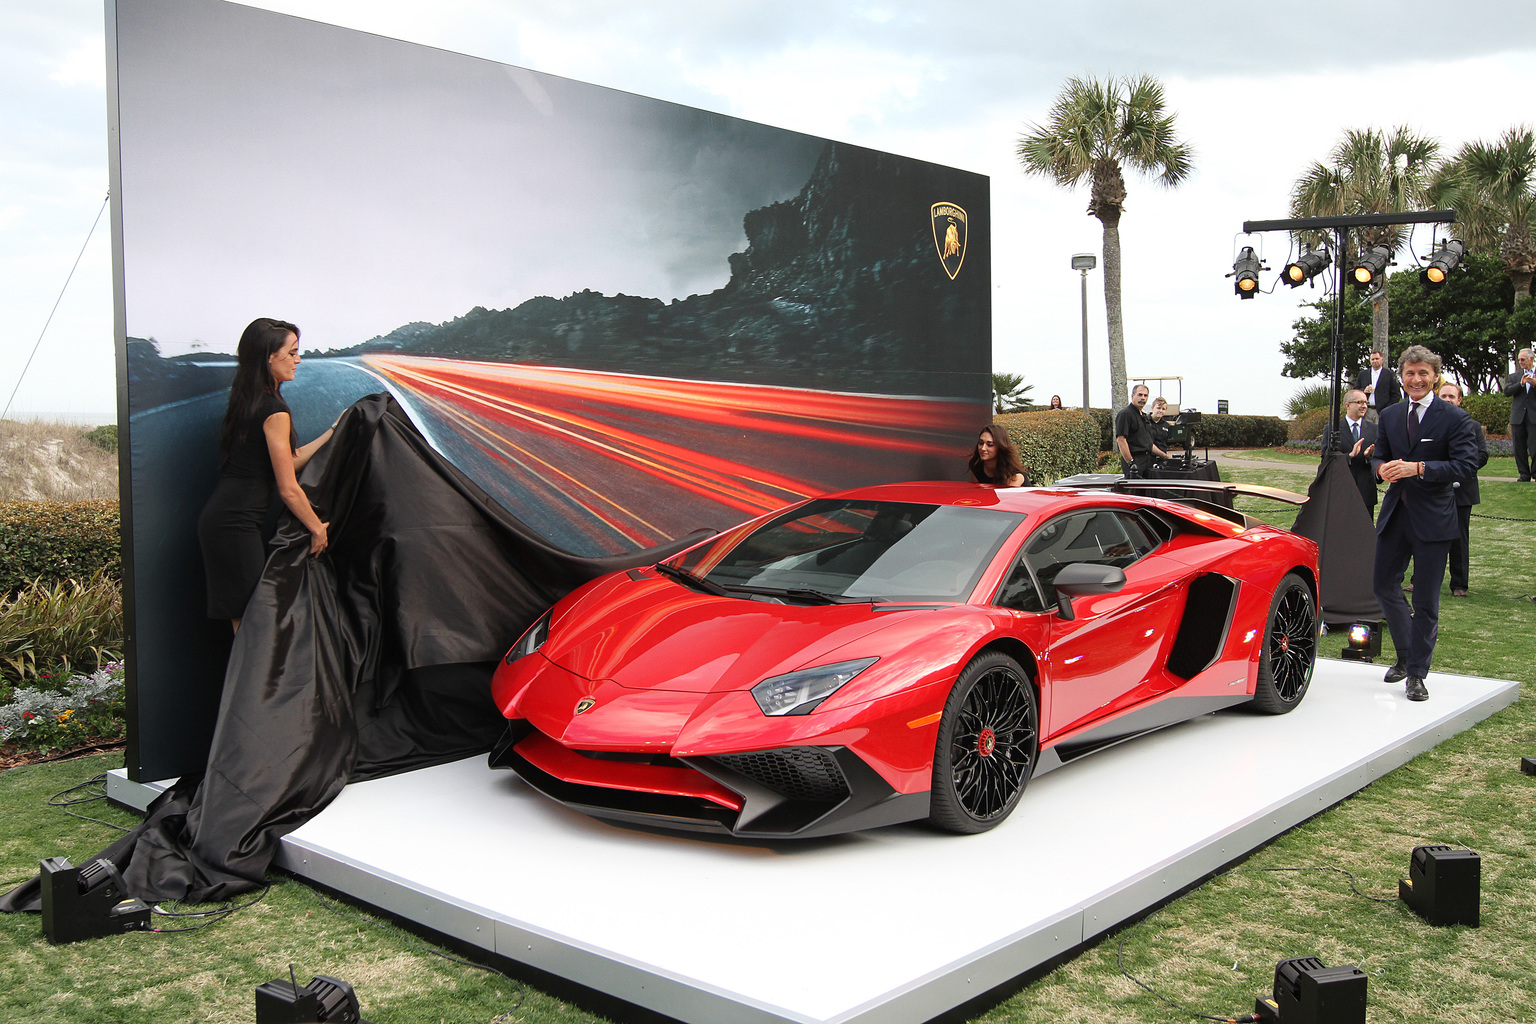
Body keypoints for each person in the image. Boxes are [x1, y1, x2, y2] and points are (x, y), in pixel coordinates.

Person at [197, 318, 335, 633]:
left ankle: (250, 683)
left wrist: (332, 432)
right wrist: (317, 529)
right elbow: (288, 487)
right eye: (293, 352)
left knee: (246, 621)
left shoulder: (249, 401)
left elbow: (286, 461)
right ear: (269, 356)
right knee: (253, 624)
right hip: (234, 524)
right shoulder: (273, 410)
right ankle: (253, 683)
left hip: (225, 521)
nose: (298, 360)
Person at [1371, 345, 1480, 702]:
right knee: (1384, 585)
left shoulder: (1455, 418)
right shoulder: (1389, 415)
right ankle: (1405, 656)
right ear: (1401, 377)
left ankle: (1417, 674)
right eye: (1409, 373)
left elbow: (1466, 466)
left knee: (1427, 601)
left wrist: (1420, 468)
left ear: (1435, 376)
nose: (1415, 380)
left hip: (1434, 520)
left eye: (1422, 374)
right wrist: (1380, 469)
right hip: (1395, 515)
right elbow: (1381, 456)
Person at [1437, 381, 1488, 596]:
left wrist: (1457, 470)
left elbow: (1481, 455)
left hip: (1462, 490)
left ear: (1459, 400)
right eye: (1444, 396)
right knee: (1429, 537)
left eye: (1452, 397)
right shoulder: (1428, 423)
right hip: (1433, 490)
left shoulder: (1472, 426)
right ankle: (1419, 580)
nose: (1448, 400)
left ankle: (1459, 584)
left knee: (1459, 539)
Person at [1320, 389, 1378, 515]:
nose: (1364, 406)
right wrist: (1349, 456)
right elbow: (1326, 459)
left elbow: (1379, 459)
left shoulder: (1374, 429)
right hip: (1340, 491)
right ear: (1347, 405)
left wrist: (1368, 457)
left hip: (1365, 493)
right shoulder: (1332, 429)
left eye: (1366, 403)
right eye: (1359, 402)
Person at [1114, 384, 1166, 478]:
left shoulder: (1144, 416)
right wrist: (1130, 462)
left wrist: (1165, 456)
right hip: (1135, 461)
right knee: (1134, 491)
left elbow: (1148, 443)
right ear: (1133, 396)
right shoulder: (1125, 414)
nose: (1143, 398)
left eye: (1145, 395)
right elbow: (1121, 440)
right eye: (1140, 395)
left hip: (1147, 461)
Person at [1502, 348, 1536, 482]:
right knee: (1519, 447)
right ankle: (1524, 474)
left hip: (1533, 417)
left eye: (1523, 359)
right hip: (1518, 417)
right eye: (1519, 360)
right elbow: (1507, 391)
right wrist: (1521, 384)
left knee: (1535, 447)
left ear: (1532, 359)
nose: (1520, 362)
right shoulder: (1515, 376)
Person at [1353, 349, 1401, 422]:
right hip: (1366, 411)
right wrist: (1364, 390)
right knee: (1366, 432)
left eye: (1377, 359)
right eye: (1373, 359)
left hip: (1382, 412)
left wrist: (1387, 409)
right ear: (1370, 360)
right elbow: (1355, 391)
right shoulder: (1363, 374)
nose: (1375, 361)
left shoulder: (1389, 374)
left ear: (1382, 359)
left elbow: (1396, 395)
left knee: (1379, 433)